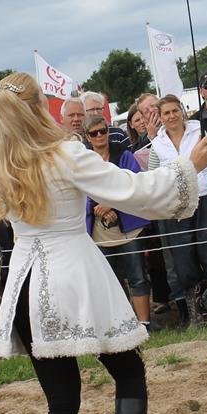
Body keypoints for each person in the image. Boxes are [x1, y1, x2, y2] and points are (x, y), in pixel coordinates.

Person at [0, 73, 207, 414]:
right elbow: (131, 189)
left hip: (24, 287)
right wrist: (188, 167)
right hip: (75, 276)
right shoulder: (65, 154)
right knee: (129, 373)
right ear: (38, 108)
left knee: (62, 402)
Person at [147, 95, 207, 327]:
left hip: (205, 201)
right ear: (161, 117)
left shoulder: (200, 133)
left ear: (181, 111)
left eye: (175, 110)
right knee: (184, 261)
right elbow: (153, 181)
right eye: (166, 113)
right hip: (176, 209)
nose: (172, 116)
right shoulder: (157, 145)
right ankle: (196, 317)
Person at [84, 115, 153, 331]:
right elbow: (79, 191)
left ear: (108, 131)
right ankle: (123, 326)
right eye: (94, 133)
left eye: (103, 131)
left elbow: (135, 184)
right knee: (109, 281)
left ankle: (144, 324)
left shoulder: (124, 155)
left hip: (129, 226)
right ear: (87, 137)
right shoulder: (83, 162)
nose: (99, 136)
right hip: (98, 231)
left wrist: (112, 205)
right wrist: (98, 208)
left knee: (137, 276)